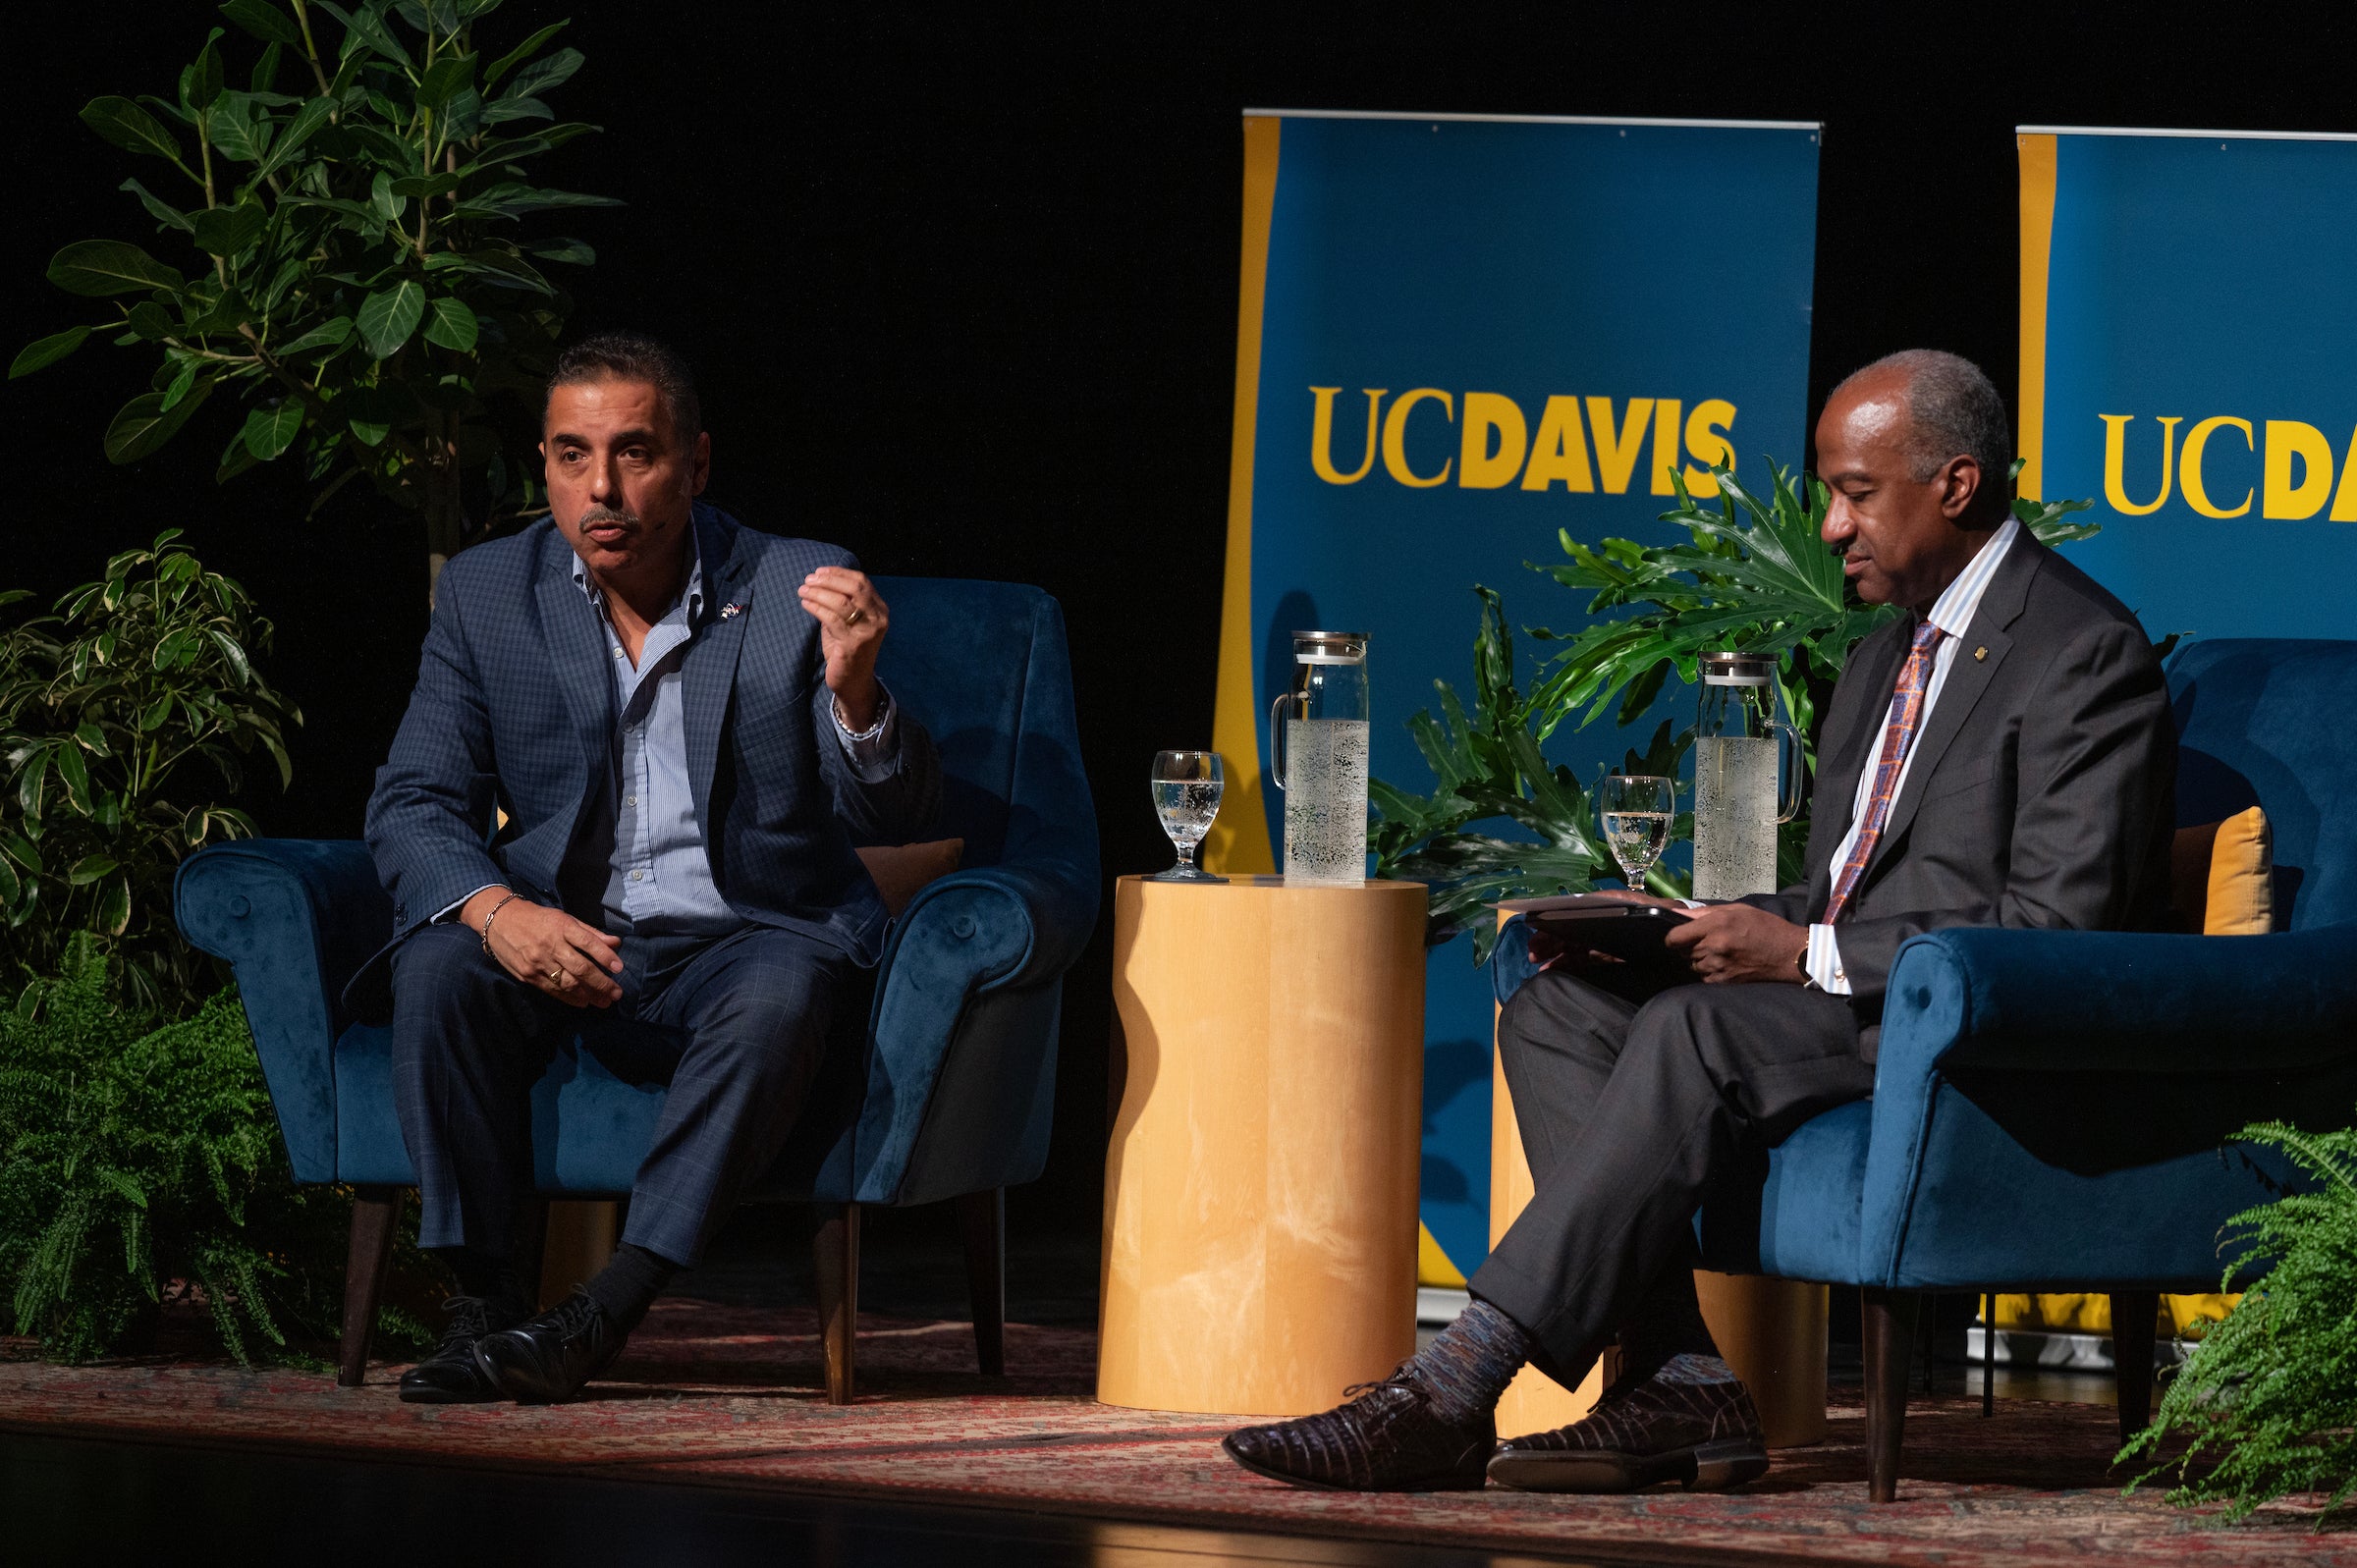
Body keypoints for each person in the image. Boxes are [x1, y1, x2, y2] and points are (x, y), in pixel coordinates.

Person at [1223, 350, 2176, 1492]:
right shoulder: (1884, 654)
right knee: (1559, 1006)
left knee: (1693, 1030)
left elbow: (2056, 927)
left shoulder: (2084, 652)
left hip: (1969, 1028)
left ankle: (1454, 1386)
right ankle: (1678, 1379)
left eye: (1857, 492)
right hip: (1854, 999)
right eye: (1831, 492)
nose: (1829, 526)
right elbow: (1841, 889)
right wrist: (1684, 923)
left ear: (1958, 485)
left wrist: (1804, 953)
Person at [356, 332, 941, 1405]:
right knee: (441, 965)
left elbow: (891, 811)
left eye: (635, 453)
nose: (603, 488)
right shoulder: (491, 594)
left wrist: (857, 694)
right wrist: (496, 912)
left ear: (698, 463)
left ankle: (600, 1310)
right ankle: (484, 1306)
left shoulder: (790, 585)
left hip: (742, 936)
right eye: (573, 456)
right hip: (569, 932)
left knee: (785, 990)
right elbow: (413, 801)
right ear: (543, 463)